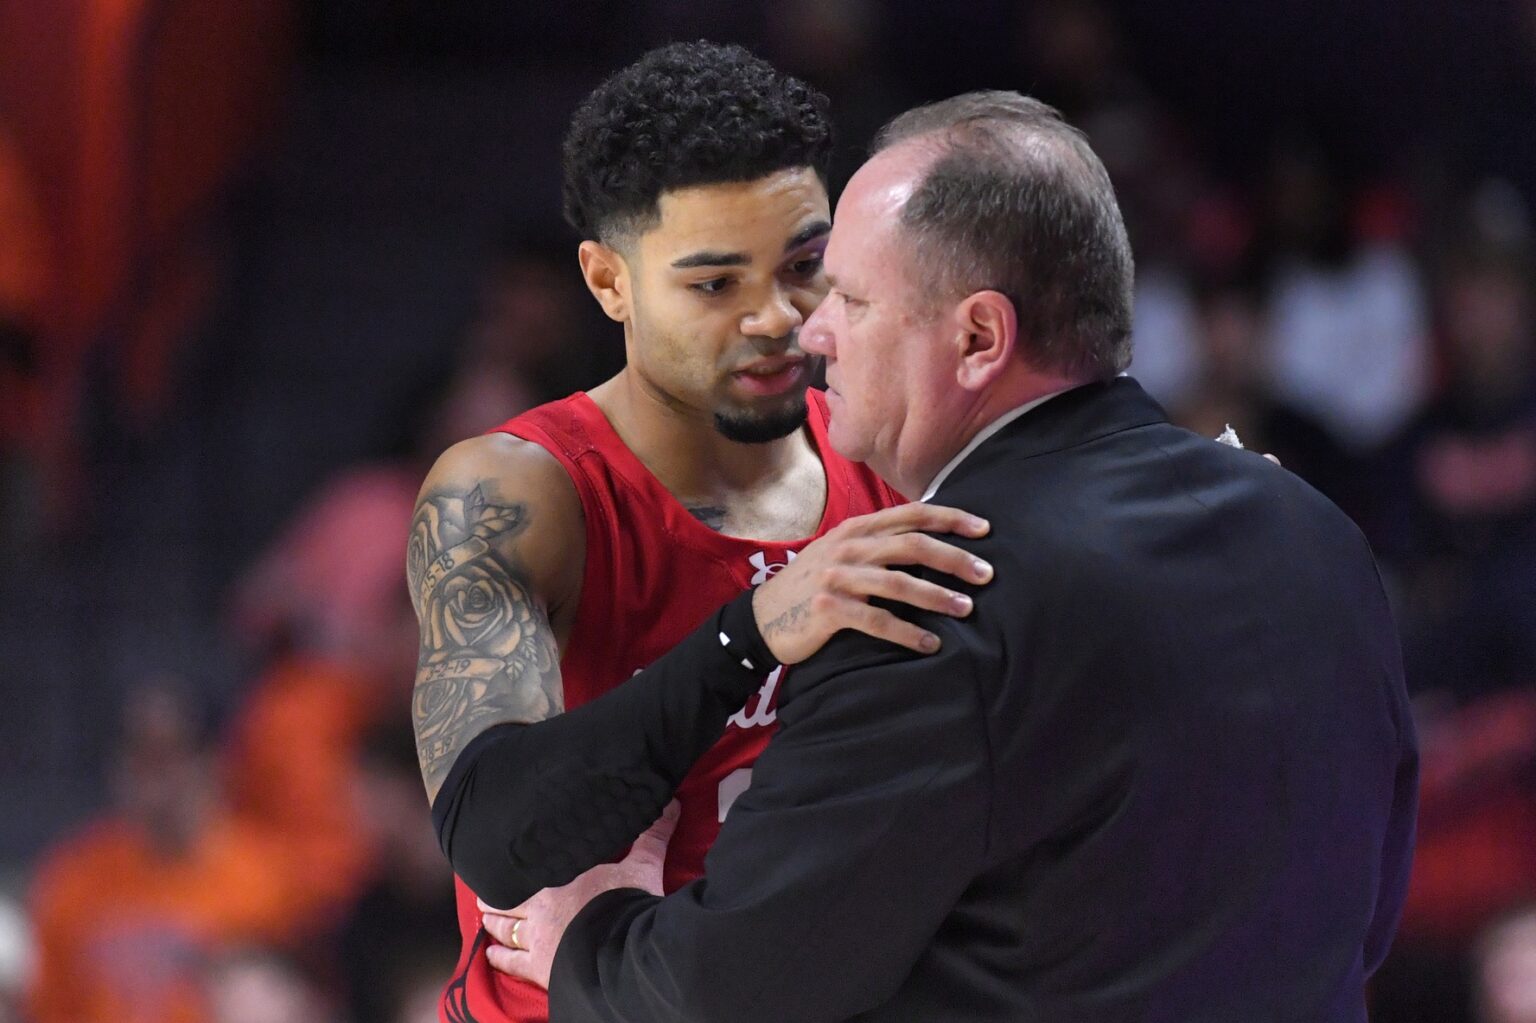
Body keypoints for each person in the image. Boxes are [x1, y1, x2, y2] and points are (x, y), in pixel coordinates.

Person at [489, 91, 1420, 1022]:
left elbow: (735, 991)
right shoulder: (1317, 535)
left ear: (978, 338)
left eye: (849, 298)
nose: (813, 333)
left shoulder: (921, 596)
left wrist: (593, 936)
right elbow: (1366, 919)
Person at [408, 42, 989, 1023]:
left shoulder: (896, 458)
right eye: (715, 286)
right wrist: (750, 632)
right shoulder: (517, 491)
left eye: (805, 265)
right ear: (608, 282)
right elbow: (495, 838)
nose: (777, 318)